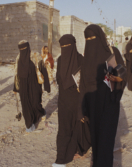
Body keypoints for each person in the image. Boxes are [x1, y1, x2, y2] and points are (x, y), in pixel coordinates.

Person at [79, 24, 127, 167]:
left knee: (106, 140)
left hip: (109, 104)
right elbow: (82, 84)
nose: (90, 41)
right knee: (96, 139)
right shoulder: (85, 58)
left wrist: (120, 80)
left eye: (93, 38)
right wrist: (81, 108)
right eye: (87, 39)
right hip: (92, 105)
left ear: (100, 37)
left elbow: (124, 74)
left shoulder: (113, 53)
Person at [53, 34, 91, 167]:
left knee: (77, 127)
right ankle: (61, 158)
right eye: (62, 46)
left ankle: (71, 152)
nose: (65, 49)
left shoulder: (81, 60)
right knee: (64, 129)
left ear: (73, 45)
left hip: (76, 101)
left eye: (67, 46)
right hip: (64, 101)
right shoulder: (62, 59)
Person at [13, 40, 50, 132]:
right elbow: (16, 74)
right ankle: (29, 125)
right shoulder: (18, 58)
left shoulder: (35, 56)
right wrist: (15, 88)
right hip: (23, 86)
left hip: (34, 85)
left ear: (28, 47)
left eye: (24, 48)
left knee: (35, 102)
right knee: (25, 105)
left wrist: (46, 86)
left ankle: (41, 113)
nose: (23, 50)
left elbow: (43, 69)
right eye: (21, 49)